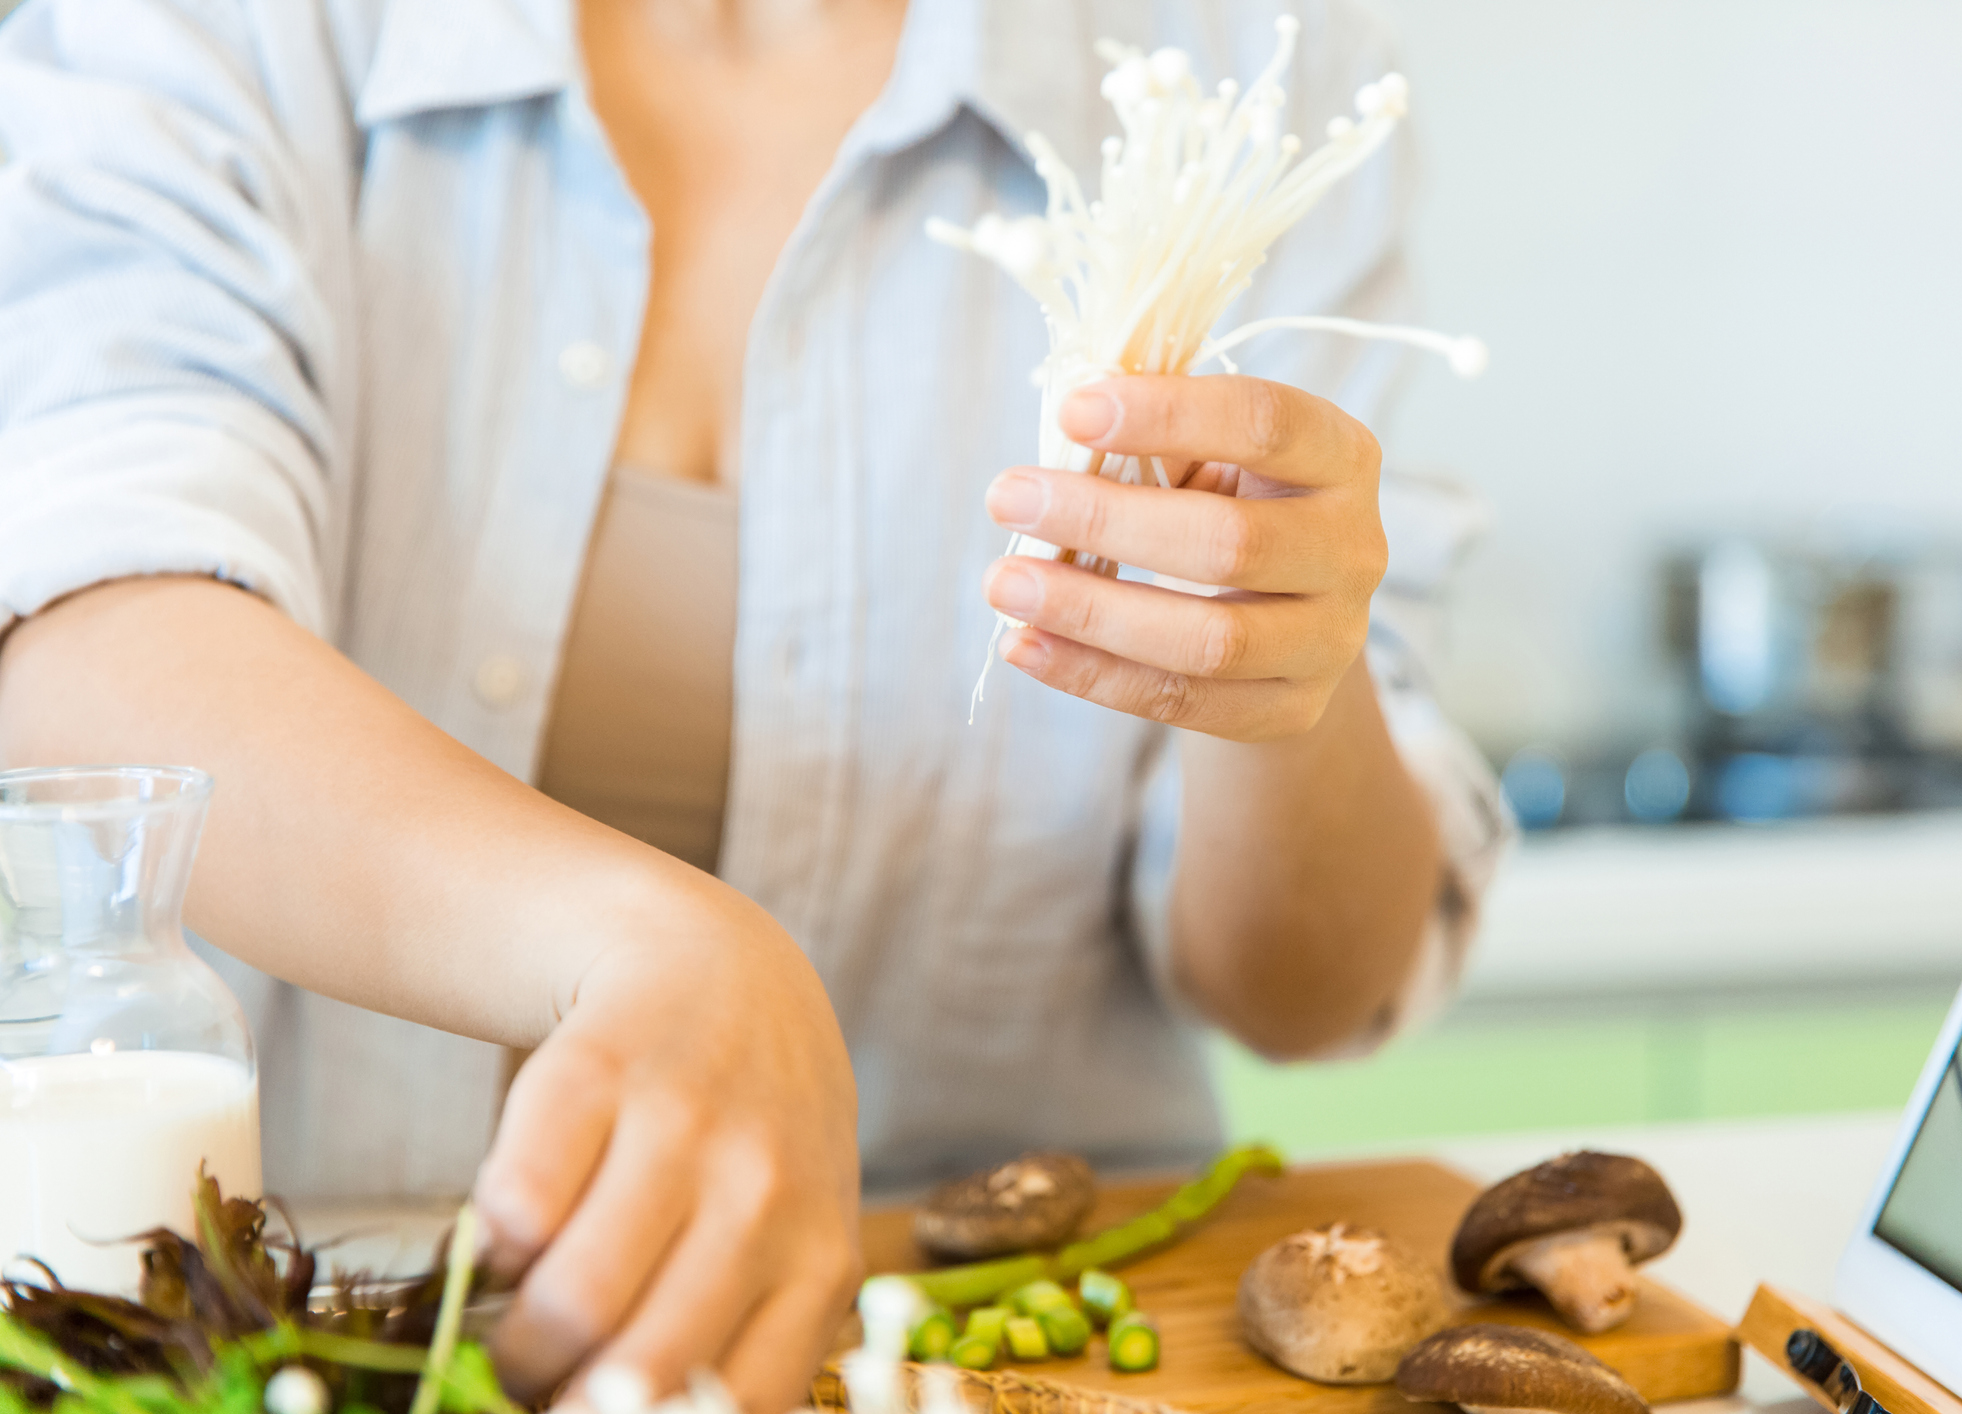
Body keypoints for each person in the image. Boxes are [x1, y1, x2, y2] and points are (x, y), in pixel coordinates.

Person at [0, 0, 1510, 1409]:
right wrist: (656, 942)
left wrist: (1279, 669)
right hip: (299, 1320)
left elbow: (1306, 990)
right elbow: (90, 635)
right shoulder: (241, 31)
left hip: (962, 1337)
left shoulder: (1246, 68)